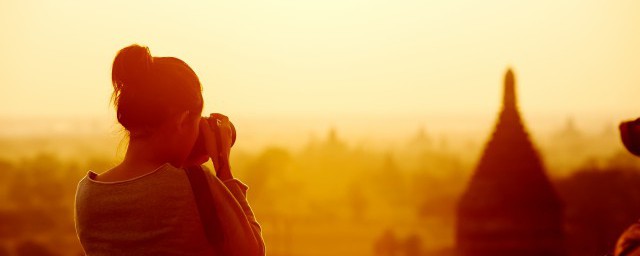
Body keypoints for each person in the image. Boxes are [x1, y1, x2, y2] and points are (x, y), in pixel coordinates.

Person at [74, 44, 265, 256]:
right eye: (195, 123)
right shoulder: (196, 184)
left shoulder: (88, 195)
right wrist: (223, 168)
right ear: (182, 121)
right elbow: (253, 251)